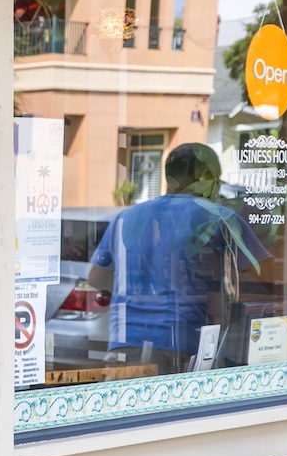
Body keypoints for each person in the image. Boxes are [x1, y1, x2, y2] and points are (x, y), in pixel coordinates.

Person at [86, 143, 267, 370]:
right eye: (215, 179)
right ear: (206, 178)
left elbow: (96, 278)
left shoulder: (125, 217)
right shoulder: (218, 218)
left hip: (123, 346)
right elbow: (267, 282)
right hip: (181, 349)